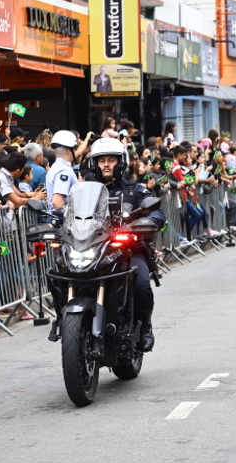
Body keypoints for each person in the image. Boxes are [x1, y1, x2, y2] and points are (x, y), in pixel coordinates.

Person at [83, 137, 165, 351]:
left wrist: (147, 222)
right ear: (95, 164)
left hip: (128, 251)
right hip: (92, 252)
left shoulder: (134, 190)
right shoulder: (85, 192)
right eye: (102, 161)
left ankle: (145, 326)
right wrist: (54, 220)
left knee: (141, 284)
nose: (107, 164)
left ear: (121, 163)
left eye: (111, 160)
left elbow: (157, 212)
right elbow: (66, 212)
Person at [45, 130, 80, 211]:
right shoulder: (64, 171)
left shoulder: (55, 167)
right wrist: (71, 217)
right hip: (62, 221)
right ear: (69, 150)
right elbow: (57, 202)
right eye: (74, 149)